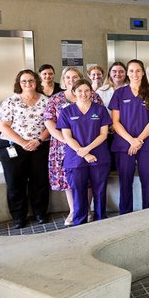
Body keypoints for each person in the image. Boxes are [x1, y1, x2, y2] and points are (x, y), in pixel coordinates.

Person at [44, 67, 102, 225]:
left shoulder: (94, 96)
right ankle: (74, 211)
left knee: (88, 179)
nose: (71, 80)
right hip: (63, 145)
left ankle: (87, 210)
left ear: (81, 78)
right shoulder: (56, 99)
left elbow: (101, 118)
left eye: (75, 76)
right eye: (68, 77)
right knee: (70, 180)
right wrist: (66, 140)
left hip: (90, 145)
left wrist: (85, 148)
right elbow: (49, 121)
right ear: (63, 80)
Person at [0, 70, 50, 229]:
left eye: (31, 80)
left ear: (37, 82)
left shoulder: (46, 101)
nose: (28, 84)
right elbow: (3, 126)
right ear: (18, 84)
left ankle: (40, 213)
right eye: (24, 81)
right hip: (13, 146)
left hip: (39, 146)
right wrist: (23, 143)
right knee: (15, 182)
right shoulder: (10, 102)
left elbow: (51, 124)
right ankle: (18, 217)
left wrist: (38, 140)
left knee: (39, 180)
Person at [109, 59, 149, 215]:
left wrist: (138, 140)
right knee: (125, 180)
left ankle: (148, 212)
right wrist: (131, 140)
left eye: (138, 70)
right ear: (127, 73)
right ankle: (125, 214)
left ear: (143, 72)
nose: (135, 74)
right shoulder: (119, 93)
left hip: (147, 143)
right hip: (124, 144)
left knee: (147, 179)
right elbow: (115, 122)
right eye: (131, 71)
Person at [57, 79, 111, 226]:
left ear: (91, 92)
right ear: (73, 92)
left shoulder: (100, 110)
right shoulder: (67, 112)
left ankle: (100, 223)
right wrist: (85, 154)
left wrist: (87, 149)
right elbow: (67, 137)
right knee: (78, 195)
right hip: (76, 159)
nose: (83, 94)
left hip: (98, 156)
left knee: (100, 192)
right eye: (79, 90)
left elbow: (103, 134)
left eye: (87, 90)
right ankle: (79, 225)